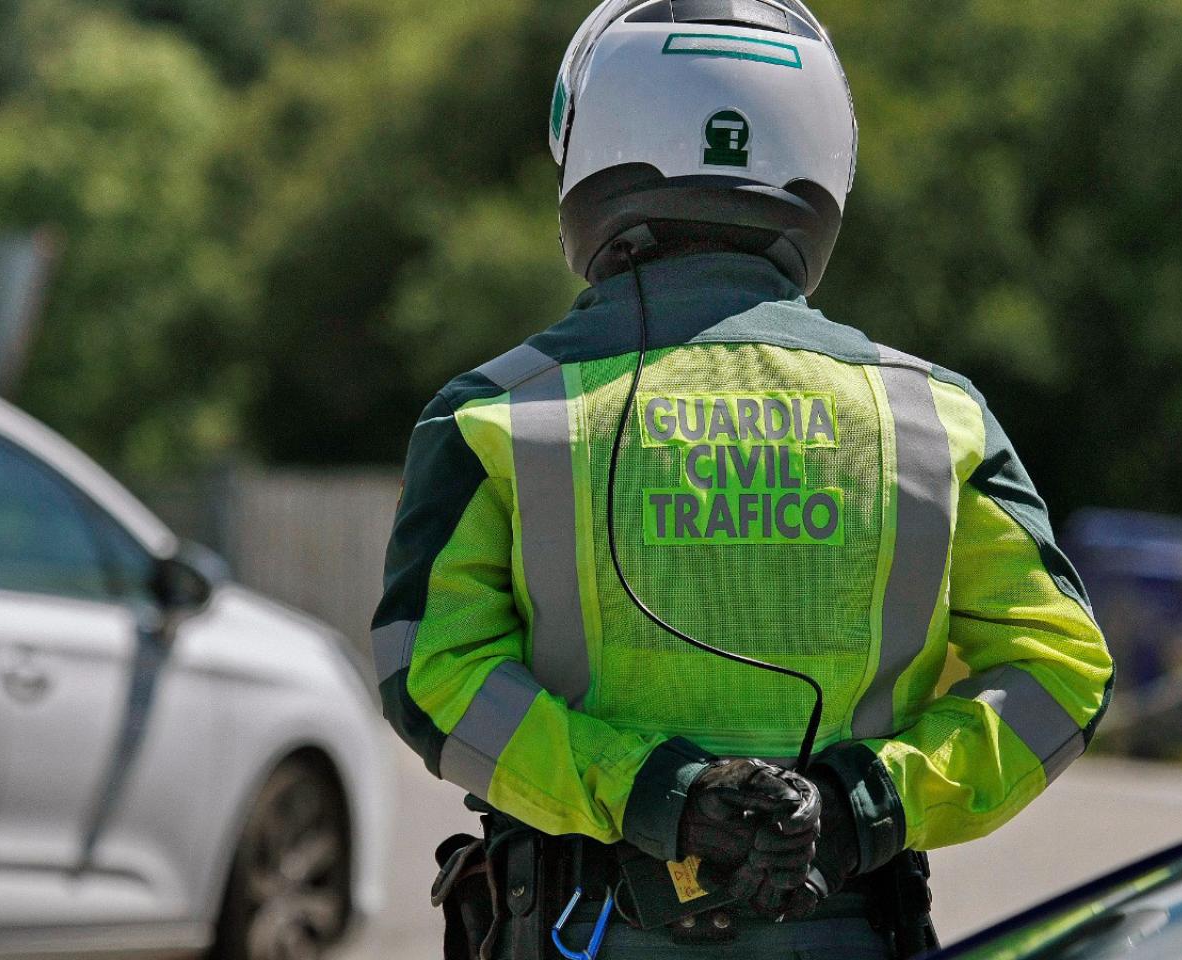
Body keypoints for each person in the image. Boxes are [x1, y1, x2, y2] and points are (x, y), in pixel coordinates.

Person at [372, 1, 1114, 957]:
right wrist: (861, 807)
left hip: (579, 932)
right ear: (823, 166)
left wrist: (663, 798)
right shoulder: (936, 418)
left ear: (588, 155)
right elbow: (1063, 675)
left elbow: (429, 677)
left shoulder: (495, 415)